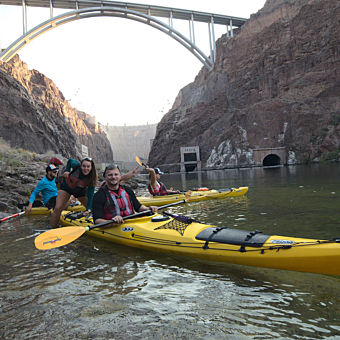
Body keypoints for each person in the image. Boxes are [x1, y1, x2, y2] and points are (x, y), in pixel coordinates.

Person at [92, 164, 158, 225]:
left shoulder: (127, 190)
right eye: (110, 175)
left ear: (120, 176)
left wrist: (148, 209)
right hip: (113, 226)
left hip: (132, 223)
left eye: (116, 174)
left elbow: (138, 207)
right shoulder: (99, 195)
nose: (113, 177)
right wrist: (112, 221)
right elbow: (97, 220)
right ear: (105, 177)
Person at [50, 157, 97, 227]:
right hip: (66, 188)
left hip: (80, 192)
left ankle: (98, 224)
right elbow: (70, 160)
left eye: (88, 167)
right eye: (84, 166)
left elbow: (90, 195)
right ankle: (53, 228)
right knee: (57, 208)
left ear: (91, 167)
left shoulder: (92, 177)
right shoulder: (76, 165)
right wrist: (67, 170)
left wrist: (88, 209)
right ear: (81, 166)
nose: (85, 168)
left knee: (93, 208)